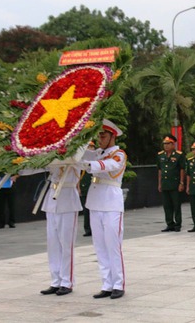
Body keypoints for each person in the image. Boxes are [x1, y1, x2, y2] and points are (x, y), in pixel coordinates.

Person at [83, 119, 128, 299]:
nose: (100, 138)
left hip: (111, 202)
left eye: (103, 135)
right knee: (100, 246)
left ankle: (118, 284)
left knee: (113, 245)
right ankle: (106, 284)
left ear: (112, 136)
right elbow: (81, 156)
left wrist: (88, 165)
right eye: (99, 135)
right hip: (95, 201)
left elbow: (111, 166)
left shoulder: (119, 154)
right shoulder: (97, 153)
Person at [39, 165, 82, 296]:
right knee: (53, 245)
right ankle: (55, 281)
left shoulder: (76, 153)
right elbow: (37, 166)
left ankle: (66, 282)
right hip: (52, 200)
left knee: (66, 245)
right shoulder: (52, 154)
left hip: (68, 200)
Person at [157, 135, 185, 232]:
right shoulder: (160, 155)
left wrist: (181, 183)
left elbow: (182, 169)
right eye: (164, 144)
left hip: (175, 184)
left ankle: (178, 224)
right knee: (167, 205)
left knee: (176, 205)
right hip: (165, 184)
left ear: (173, 144)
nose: (166, 146)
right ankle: (169, 224)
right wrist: (159, 183)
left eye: (168, 144)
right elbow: (160, 170)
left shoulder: (179, 155)